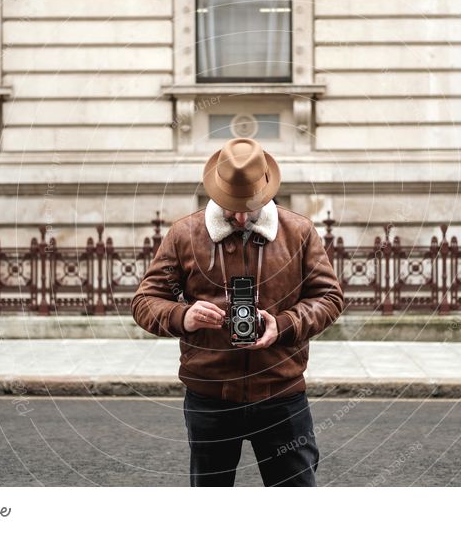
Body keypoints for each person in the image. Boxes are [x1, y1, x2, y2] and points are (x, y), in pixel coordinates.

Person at [131, 137, 345, 487]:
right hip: (210, 397)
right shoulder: (184, 234)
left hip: (282, 395)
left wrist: (284, 324)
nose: (242, 217)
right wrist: (183, 316)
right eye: (233, 207)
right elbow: (145, 302)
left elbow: (329, 297)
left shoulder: (300, 232)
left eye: (252, 206)